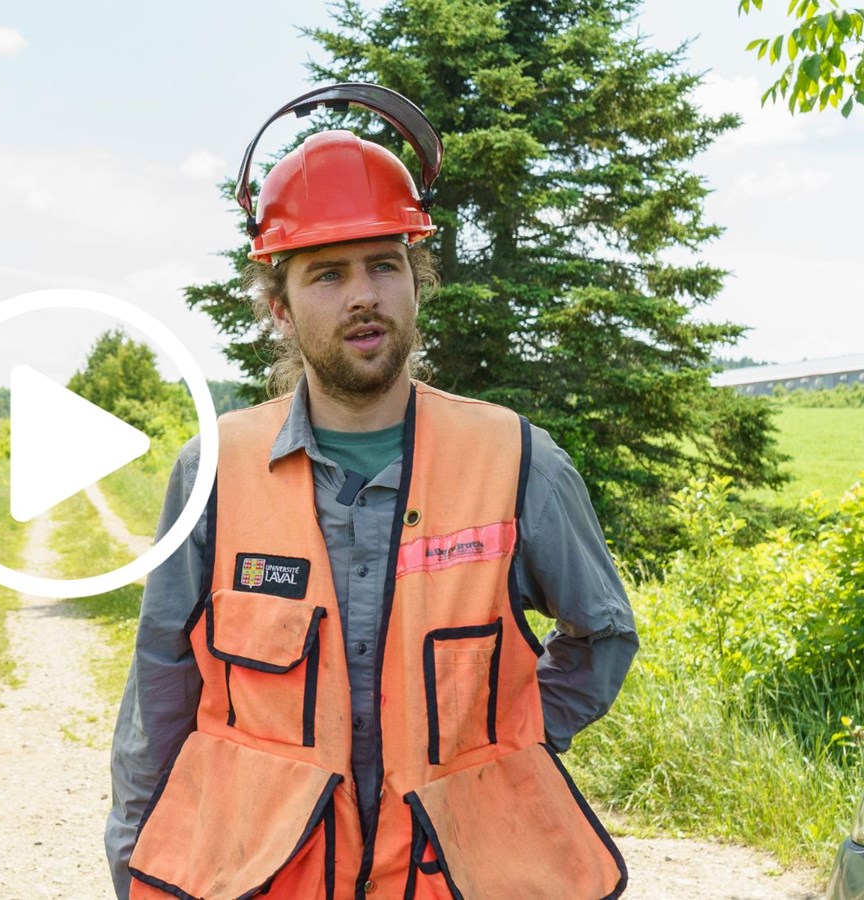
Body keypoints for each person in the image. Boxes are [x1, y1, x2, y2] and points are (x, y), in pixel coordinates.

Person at [106, 84, 638, 899]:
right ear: (279, 308)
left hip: (445, 877)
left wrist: (506, 750)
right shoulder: (214, 470)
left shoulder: (518, 459)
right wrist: (136, 855)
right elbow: (161, 687)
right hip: (262, 877)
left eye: (384, 266)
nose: (363, 295)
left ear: (416, 283)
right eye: (327, 275)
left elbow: (602, 634)